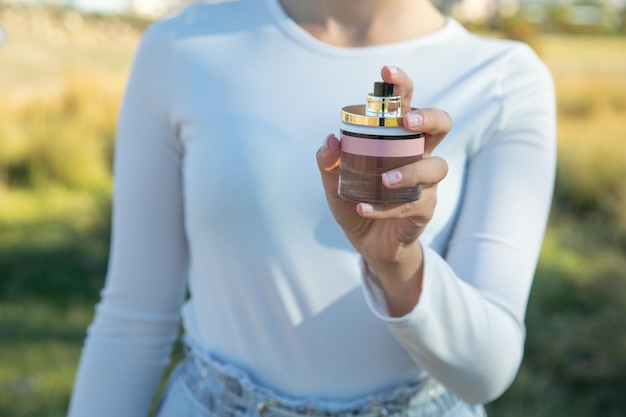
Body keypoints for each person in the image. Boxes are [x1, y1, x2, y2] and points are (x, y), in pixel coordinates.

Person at [67, 0, 556, 416]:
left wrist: (398, 263)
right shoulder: (182, 48)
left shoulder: (504, 79)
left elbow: (486, 371)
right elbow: (133, 321)